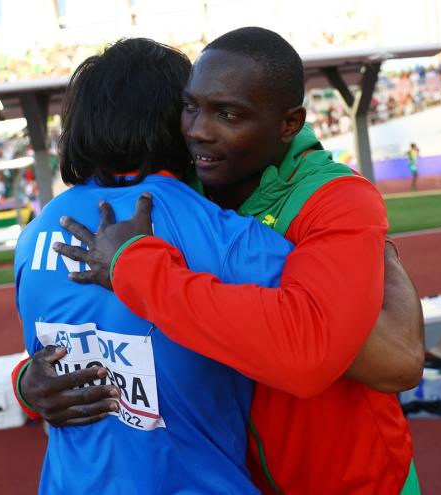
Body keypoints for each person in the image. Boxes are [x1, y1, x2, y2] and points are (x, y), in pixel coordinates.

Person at [43, 28, 425, 494]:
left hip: (353, 482)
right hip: (238, 477)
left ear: (289, 124)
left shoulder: (335, 198)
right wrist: (29, 381)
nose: (198, 130)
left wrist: (137, 267)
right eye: (191, 107)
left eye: (228, 113)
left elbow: (388, 363)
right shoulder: (184, 188)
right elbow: (102, 324)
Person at [15, 37, 303, 493]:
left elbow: (44, 356)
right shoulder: (224, 233)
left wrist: (24, 385)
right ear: (176, 120)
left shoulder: (36, 232)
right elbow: (326, 328)